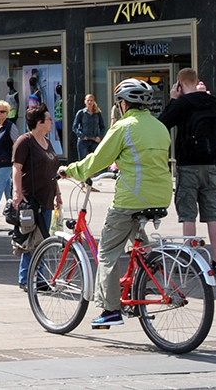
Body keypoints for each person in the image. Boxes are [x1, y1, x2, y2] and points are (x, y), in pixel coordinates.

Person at [62, 78, 172, 328]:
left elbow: (96, 161)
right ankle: (145, 274)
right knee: (136, 242)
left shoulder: (124, 126)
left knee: (108, 251)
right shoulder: (159, 127)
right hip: (161, 196)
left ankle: (110, 309)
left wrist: (70, 170)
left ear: (123, 104)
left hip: (132, 197)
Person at [158, 68, 216, 275]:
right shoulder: (213, 103)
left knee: (188, 214)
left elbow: (161, 124)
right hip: (210, 165)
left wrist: (172, 99)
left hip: (188, 164)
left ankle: (190, 260)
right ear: (197, 81)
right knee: (212, 214)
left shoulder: (182, 104)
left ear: (179, 84)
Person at [12, 105, 62, 291]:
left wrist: (57, 193)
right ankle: (26, 278)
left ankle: (39, 278)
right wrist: (17, 193)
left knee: (43, 239)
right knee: (32, 240)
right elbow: (16, 167)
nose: (51, 121)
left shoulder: (47, 142)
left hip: (47, 197)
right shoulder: (25, 141)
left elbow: (52, 171)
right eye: (48, 119)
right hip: (31, 198)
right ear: (39, 122)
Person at [72, 94, 105, 160]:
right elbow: (74, 127)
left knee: (94, 161)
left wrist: (100, 137)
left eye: (91, 100)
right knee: (83, 162)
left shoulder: (98, 113)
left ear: (94, 102)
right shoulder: (81, 113)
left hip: (94, 141)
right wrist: (82, 135)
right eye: (88, 100)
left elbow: (102, 127)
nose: (89, 102)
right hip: (83, 141)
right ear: (85, 102)